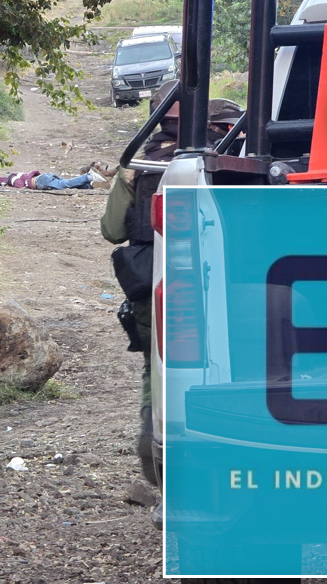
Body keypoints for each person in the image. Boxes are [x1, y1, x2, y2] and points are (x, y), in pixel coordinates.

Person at [100, 80, 243, 486]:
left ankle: (156, 444)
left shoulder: (142, 167)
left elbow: (112, 231)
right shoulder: (226, 156)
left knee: (157, 365)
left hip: (153, 276)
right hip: (225, 280)